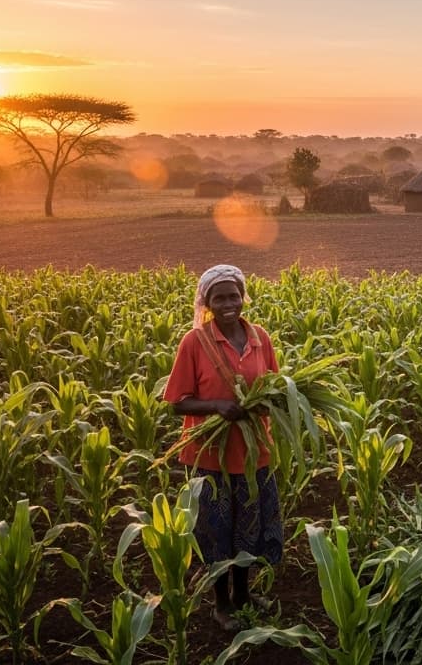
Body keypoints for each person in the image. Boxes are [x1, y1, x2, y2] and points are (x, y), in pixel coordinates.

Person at [163, 264, 282, 632]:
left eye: (234, 295)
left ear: (243, 297)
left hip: (252, 453)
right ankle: (221, 603)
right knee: (216, 530)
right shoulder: (194, 342)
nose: (229, 303)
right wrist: (216, 406)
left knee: (248, 526)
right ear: (207, 302)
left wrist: (266, 404)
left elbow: (275, 387)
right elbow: (176, 402)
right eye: (220, 297)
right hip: (209, 454)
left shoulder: (260, 337)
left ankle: (244, 595)